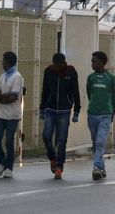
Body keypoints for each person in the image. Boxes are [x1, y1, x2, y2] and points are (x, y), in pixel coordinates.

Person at [40, 52, 81, 180]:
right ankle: (52, 157)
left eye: (58, 65)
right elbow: (45, 90)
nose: (56, 68)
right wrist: (42, 108)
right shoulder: (49, 71)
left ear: (63, 63)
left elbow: (76, 90)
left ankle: (59, 166)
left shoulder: (71, 72)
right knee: (46, 136)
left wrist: (76, 111)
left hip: (64, 110)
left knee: (62, 140)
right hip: (50, 109)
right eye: (54, 65)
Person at [86, 51, 115, 180]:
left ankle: (96, 168)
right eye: (92, 61)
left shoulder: (111, 78)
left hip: (105, 114)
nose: (92, 63)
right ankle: (102, 167)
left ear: (101, 62)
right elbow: (89, 93)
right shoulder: (91, 78)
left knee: (100, 142)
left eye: (94, 61)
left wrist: (113, 112)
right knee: (95, 142)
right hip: (92, 114)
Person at [0, 51, 24, 178]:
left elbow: (13, 97)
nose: (2, 62)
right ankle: (1, 161)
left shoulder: (17, 77)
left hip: (13, 115)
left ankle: (9, 167)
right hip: (1, 114)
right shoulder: (2, 76)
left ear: (8, 62)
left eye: (3, 60)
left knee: (9, 141)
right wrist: (2, 96)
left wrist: (1, 96)